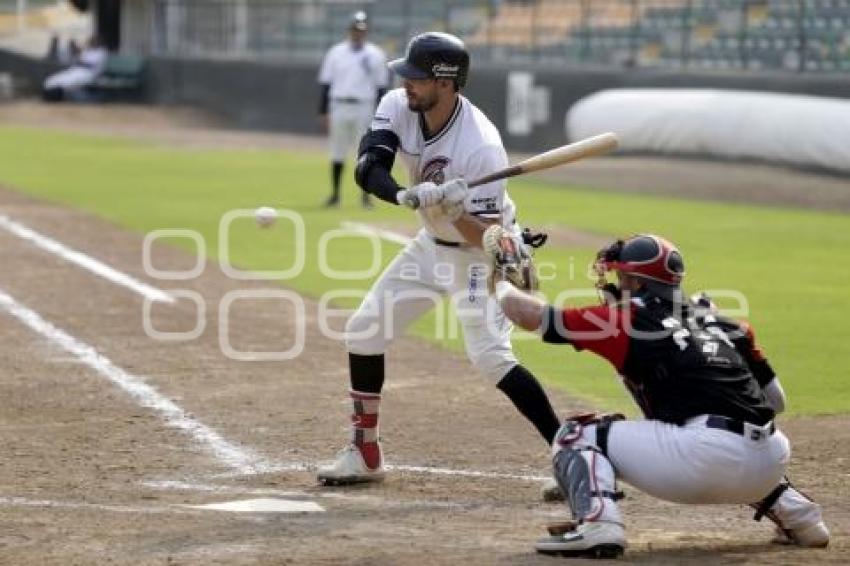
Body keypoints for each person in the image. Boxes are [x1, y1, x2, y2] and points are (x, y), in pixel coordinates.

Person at [482, 231, 830, 557]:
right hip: (770, 461)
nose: (615, 285)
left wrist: (501, 280)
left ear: (635, 281)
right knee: (735, 434)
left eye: (621, 278)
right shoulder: (727, 323)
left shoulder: (626, 319)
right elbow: (776, 402)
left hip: (703, 464)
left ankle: (599, 525)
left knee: (575, 435)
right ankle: (803, 518)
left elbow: (529, 315)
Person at [317, 32, 562, 485]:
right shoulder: (397, 104)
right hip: (429, 248)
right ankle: (365, 452)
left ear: (447, 84)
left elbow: (489, 236)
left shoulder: (481, 146)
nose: (406, 83)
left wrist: (455, 211)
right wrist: (406, 194)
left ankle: (570, 453)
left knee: (490, 357)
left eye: (417, 77)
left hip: (476, 256)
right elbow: (368, 167)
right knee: (364, 331)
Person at [317, 11, 388, 208]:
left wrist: (381, 116)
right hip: (339, 104)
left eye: (362, 30)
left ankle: (365, 196)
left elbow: (381, 87)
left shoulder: (376, 54)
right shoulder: (336, 52)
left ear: (366, 32)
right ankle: (335, 194)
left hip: (364, 106)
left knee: (365, 152)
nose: (358, 33)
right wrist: (323, 111)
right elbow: (326, 83)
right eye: (355, 29)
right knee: (337, 151)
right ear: (349, 30)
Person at [42, 36, 108, 102]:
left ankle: (59, 94)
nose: (92, 42)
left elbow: (91, 64)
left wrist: (79, 58)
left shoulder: (102, 52)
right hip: (77, 70)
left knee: (67, 82)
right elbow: (79, 58)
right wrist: (75, 50)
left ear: (99, 42)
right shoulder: (88, 50)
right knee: (53, 80)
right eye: (91, 41)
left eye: (94, 41)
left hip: (90, 73)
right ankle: (52, 92)